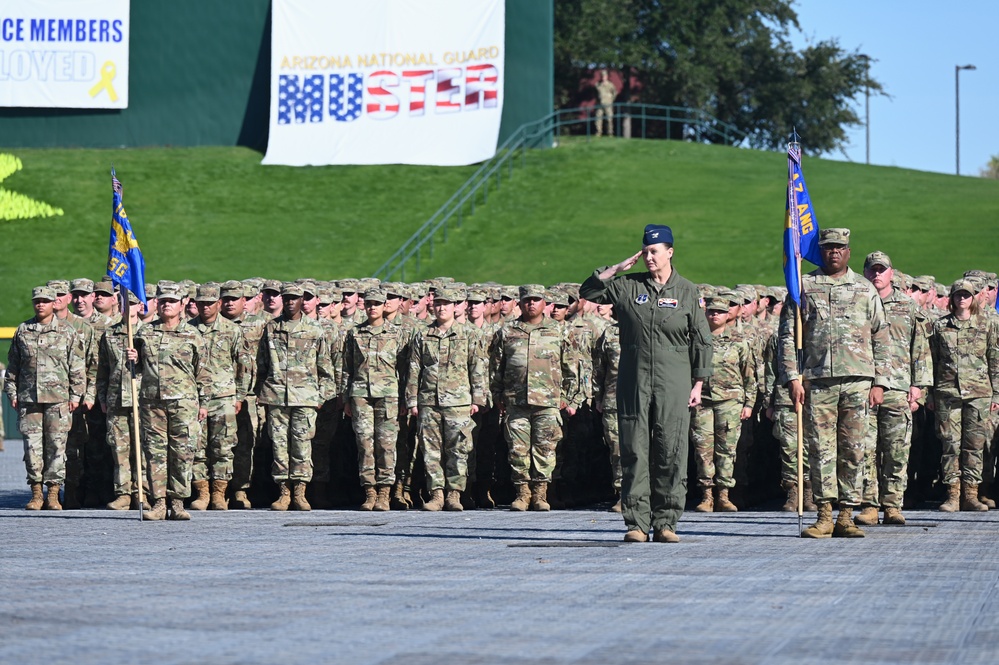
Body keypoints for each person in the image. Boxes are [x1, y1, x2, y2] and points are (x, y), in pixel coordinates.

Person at [580, 224, 712, 542]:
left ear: (670, 252)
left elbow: (702, 341)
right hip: (634, 380)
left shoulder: (687, 291)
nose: (648, 257)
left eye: (654, 251)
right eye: (645, 251)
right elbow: (589, 293)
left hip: (674, 380)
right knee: (634, 450)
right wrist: (618, 268)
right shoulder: (627, 286)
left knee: (671, 450)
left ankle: (666, 521)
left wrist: (698, 384)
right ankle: (637, 523)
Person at [778, 228, 890, 539]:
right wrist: (792, 376)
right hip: (818, 380)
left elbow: (881, 336)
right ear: (821, 251)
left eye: (839, 247)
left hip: (857, 380)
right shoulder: (804, 286)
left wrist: (880, 381)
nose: (834, 253)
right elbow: (788, 336)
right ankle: (824, 514)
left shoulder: (864, 289)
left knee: (854, 449)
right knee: (820, 449)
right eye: (828, 248)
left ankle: (846, 515)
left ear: (849, 252)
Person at [490, 285, 581, 512]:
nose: (531, 303)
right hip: (515, 401)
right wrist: (497, 394)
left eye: (536, 300)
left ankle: (541, 493)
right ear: (519, 303)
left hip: (548, 401)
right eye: (527, 300)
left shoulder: (559, 331)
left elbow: (571, 367)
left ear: (545, 304)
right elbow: (495, 367)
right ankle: (522, 493)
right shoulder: (507, 331)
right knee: (517, 449)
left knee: (546, 448)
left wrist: (568, 398)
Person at [856, 251, 931, 525]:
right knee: (865, 449)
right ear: (864, 272)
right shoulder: (857, 301)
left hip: (898, 387)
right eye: (872, 270)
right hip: (863, 386)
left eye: (881, 269)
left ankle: (892, 505)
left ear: (891, 273)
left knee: (896, 449)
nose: (877, 274)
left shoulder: (907, 306)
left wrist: (919, 384)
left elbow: (919, 347)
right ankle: (869, 505)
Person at [129, 281, 210, 521]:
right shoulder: (145, 332)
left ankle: (177, 502)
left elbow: (203, 372)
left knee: (182, 453)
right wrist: (132, 359)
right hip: (152, 402)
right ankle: (158, 502)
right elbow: (137, 370)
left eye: (172, 301)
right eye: (163, 301)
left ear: (183, 304)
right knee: (155, 452)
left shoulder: (193, 334)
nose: (167, 305)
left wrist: (203, 403)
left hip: (184, 402)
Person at [256, 282, 336, 511]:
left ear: (302, 301)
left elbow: (325, 368)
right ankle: (284, 492)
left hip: (306, 397)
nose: (290, 302)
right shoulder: (272, 328)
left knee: (302, 446)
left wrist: (321, 397)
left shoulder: (314, 329)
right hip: (277, 396)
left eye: (294, 298)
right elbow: (262, 363)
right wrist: (262, 391)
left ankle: (301, 492)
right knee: (279, 446)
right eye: (287, 298)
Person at [406, 287, 488, 511]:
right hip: (428, 401)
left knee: (458, 450)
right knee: (431, 450)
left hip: (459, 401)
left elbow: (477, 367)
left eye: (446, 304)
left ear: (455, 307)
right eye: (438, 303)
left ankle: (454, 494)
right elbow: (414, 370)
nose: (441, 308)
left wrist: (477, 399)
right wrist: (412, 400)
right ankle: (437, 494)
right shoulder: (423, 335)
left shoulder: (469, 334)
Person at [4, 286, 86, 510]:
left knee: (57, 448)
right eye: (37, 300)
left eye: (45, 300)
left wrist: (76, 396)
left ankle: (53, 493)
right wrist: (12, 393)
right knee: (32, 449)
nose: (40, 304)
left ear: (53, 303)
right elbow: (13, 367)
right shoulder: (23, 330)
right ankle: (36, 493)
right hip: (29, 400)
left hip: (59, 400)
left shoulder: (67, 331)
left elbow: (77, 368)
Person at [928, 279, 999, 512]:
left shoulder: (986, 325)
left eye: (966, 295)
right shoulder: (940, 327)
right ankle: (952, 495)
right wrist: (929, 393)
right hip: (948, 393)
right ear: (951, 298)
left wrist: (996, 393)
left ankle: (971, 494)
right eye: (957, 295)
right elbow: (933, 362)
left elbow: (994, 360)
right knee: (950, 445)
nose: (962, 299)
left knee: (975, 446)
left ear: (972, 299)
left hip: (979, 394)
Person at [343, 288, 409, 510]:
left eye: (377, 303)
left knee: (386, 444)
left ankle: (385, 493)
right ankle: (369, 492)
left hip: (388, 396)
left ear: (384, 306)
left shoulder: (396, 333)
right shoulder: (354, 333)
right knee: (364, 443)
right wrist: (346, 399)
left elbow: (405, 369)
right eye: (369, 303)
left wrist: (404, 399)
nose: (372, 307)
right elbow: (347, 368)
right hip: (360, 395)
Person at [690, 295, 756, 512]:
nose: (715, 315)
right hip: (702, 402)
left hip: (730, 402)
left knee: (726, 449)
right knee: (703, 450)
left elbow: (749, 375)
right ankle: (706, 495)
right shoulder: (695, 339)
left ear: (728, 315)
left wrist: (749, 403)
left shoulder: (738, 341)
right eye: (711, 311)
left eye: (719, 311)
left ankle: (724, 495)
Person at [189, 283, 247, 511]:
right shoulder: (188, 329)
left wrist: (240, 396)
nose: (205, 307)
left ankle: (219, 493)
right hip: (195, 398)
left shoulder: (232, 331)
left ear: (219, 304)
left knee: (223, 447)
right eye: (201, 303)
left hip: (224, 397)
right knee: (196, 447)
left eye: (209, 303)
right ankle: (202, 492)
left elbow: (243, 365)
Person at [96, 291, 146, 510]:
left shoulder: (150, 333)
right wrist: (103, 397)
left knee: (144, 448)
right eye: (126, 303)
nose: (129, 307)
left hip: (144, 399)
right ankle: (123, 493)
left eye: (133, 304)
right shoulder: (110, 335)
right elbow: (102, 370)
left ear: (140, 307)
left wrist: (141, 358)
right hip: (117, 399)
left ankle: (142, 491)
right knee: (119, 449)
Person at [594, 70, 617, 137]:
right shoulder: (598, 85)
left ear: (606, 76)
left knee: (609, 119)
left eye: (604, 76)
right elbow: (595, 93)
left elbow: (615, 93)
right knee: (598, 119)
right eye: (602, 76)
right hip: (600, 104)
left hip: (608, 104)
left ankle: (610, 133)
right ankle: (598, 132)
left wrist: (611, 99)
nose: (603, 77)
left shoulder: (610, 85)